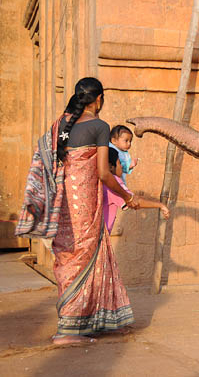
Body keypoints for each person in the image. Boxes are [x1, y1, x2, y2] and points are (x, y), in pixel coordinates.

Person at [49, 77, 139, 344]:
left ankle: (90, 320)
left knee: (70, 258)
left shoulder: (60, 125)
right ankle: (67, 331)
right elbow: (103, 172)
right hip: (86, 206)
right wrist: (126, 195)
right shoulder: (100, 126)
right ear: (99, 98)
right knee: (84, 259)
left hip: (63, 206)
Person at [103, 148, 169, 233]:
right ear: (110, 167)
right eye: (120, 163)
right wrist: (161, 205)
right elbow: (135, 202)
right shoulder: (113, 182)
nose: (122, 167)